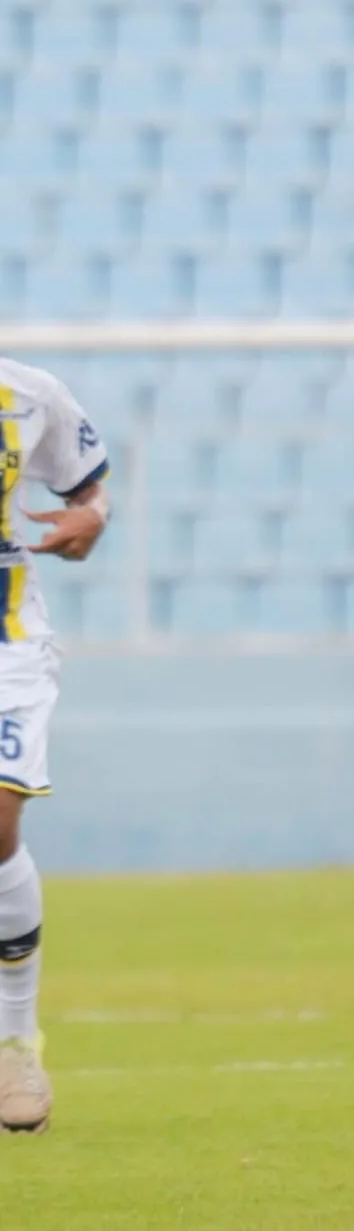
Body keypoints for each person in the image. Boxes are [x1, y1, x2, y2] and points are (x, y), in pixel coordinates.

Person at [0, 361, 110, 1133]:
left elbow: (86, 488)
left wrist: (92, 518)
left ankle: (12, 1041)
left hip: (8, 642)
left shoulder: (27, 396)